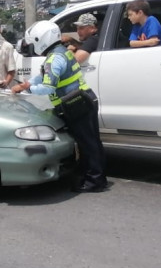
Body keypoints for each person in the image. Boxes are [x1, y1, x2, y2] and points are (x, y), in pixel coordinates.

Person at [11, 20, 107, 193]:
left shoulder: (53, 59)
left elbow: (47, 86)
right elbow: (44, 77)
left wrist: (29, 89)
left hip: (77, 103)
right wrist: (26, 84)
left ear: (42, 40)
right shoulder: (61, 52)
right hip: (84, 99)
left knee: (87, 144)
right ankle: (93, 177)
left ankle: (95, 181)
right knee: (92, 142)